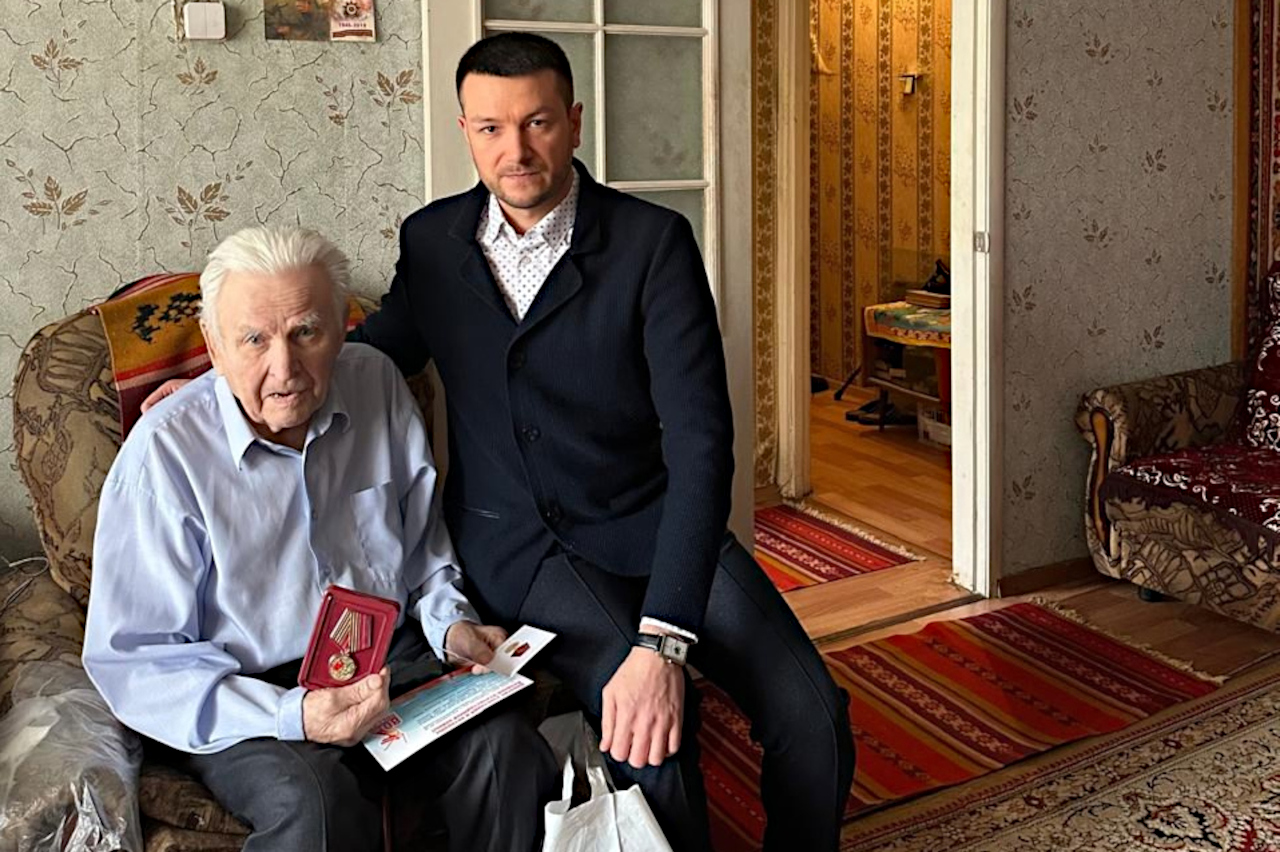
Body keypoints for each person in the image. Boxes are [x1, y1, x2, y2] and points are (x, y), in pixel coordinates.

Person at [143, 34, 857, 851]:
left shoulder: (652, 243)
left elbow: (701, 442)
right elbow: (368, 351)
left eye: (537, 123)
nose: (514, 150)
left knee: (815, 716)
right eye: (490, 128)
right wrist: (211, 386)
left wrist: (664, 638)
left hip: (651, 522)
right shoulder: (432, 242)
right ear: (466, 132)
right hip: (524, 550)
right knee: (645, 730)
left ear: (574, 122)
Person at [85, 226, 556, 852]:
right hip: (247, 689)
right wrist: (292, 714)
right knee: (317, 806)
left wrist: (451, 625)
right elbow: (136, 660)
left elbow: (423, 552)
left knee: (506, 751)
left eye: (306, 332)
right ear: (214, 345)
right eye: (254, 339)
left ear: (341, 328)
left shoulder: (376, 382)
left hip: (385, 654)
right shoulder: (165, 454)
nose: (285, 369)